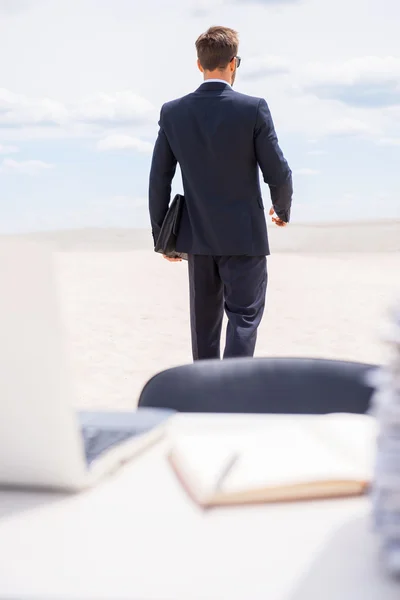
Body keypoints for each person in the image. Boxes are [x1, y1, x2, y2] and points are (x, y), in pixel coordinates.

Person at [149, 26, 293, 361]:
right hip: (245, 239)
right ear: (233, 63)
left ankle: (206, 396)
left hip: (197, 240)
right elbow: (279, 171)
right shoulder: (253, 108)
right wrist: (281, 209)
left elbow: (159, 179)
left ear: (199, 65)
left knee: (204, 330)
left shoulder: (173, 112)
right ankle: (234, 393)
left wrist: (162, 236)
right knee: (244, 320)